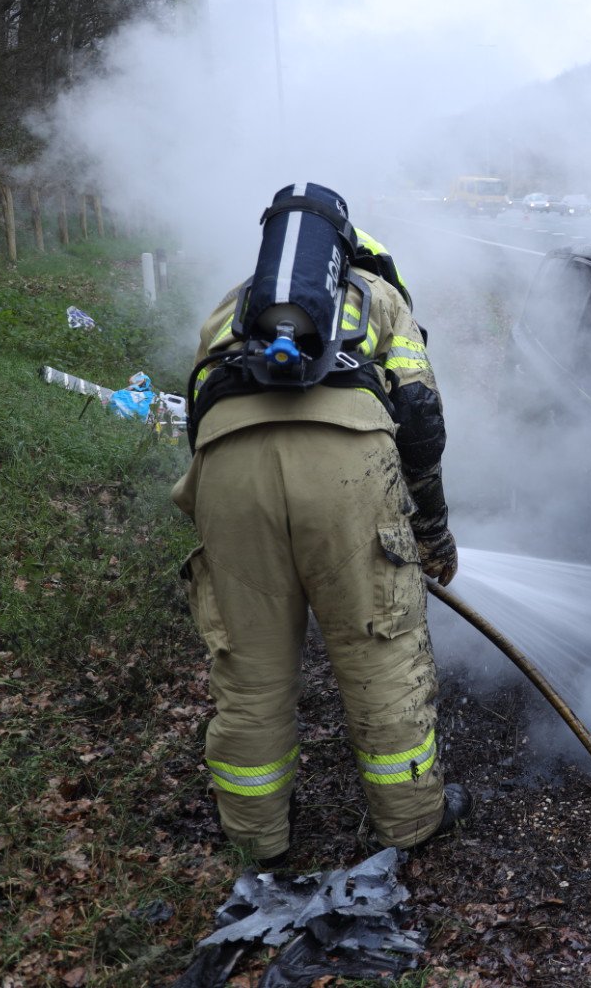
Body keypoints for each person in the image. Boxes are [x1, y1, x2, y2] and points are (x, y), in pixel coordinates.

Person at [173, 183, 469, 866]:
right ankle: (411, 823)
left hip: (229, 471)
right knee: (379, 655)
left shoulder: (236, 303)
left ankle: (257, 840)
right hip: (346, 470)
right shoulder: (377, 298)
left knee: (249, 671)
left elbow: (197, 403)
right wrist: (433, 531)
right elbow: (420, 415)